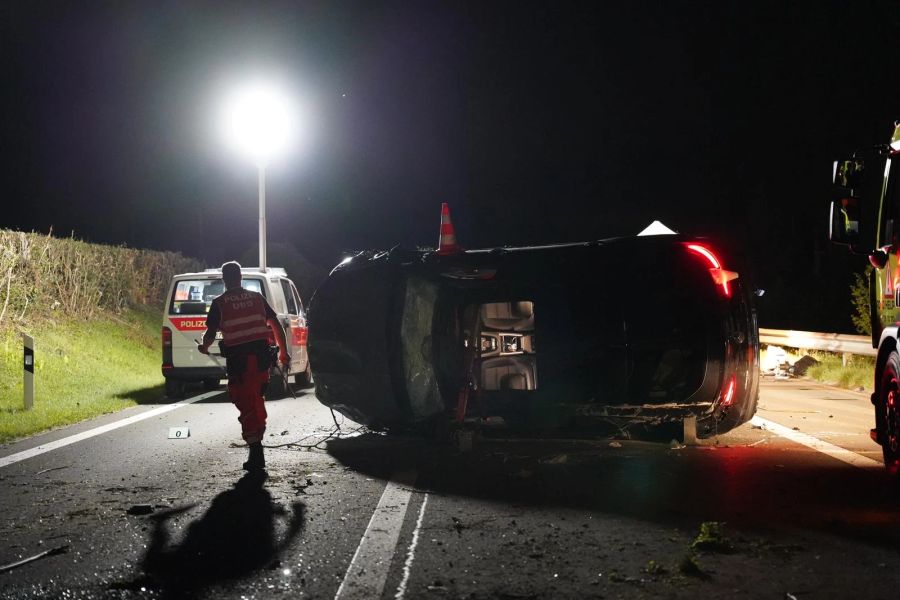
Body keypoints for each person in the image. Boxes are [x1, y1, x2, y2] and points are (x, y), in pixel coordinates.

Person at [198, 261, 289, 472]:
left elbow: (211, 333)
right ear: (240, 277)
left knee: (246, 403)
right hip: (261, 363)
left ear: (224, 279)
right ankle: (257, 446)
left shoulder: (220, 303)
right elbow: (276, 326)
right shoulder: (257, 298)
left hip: (240, 365)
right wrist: (283, 353)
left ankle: (256, 451)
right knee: (256, 400)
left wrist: (204, 346)